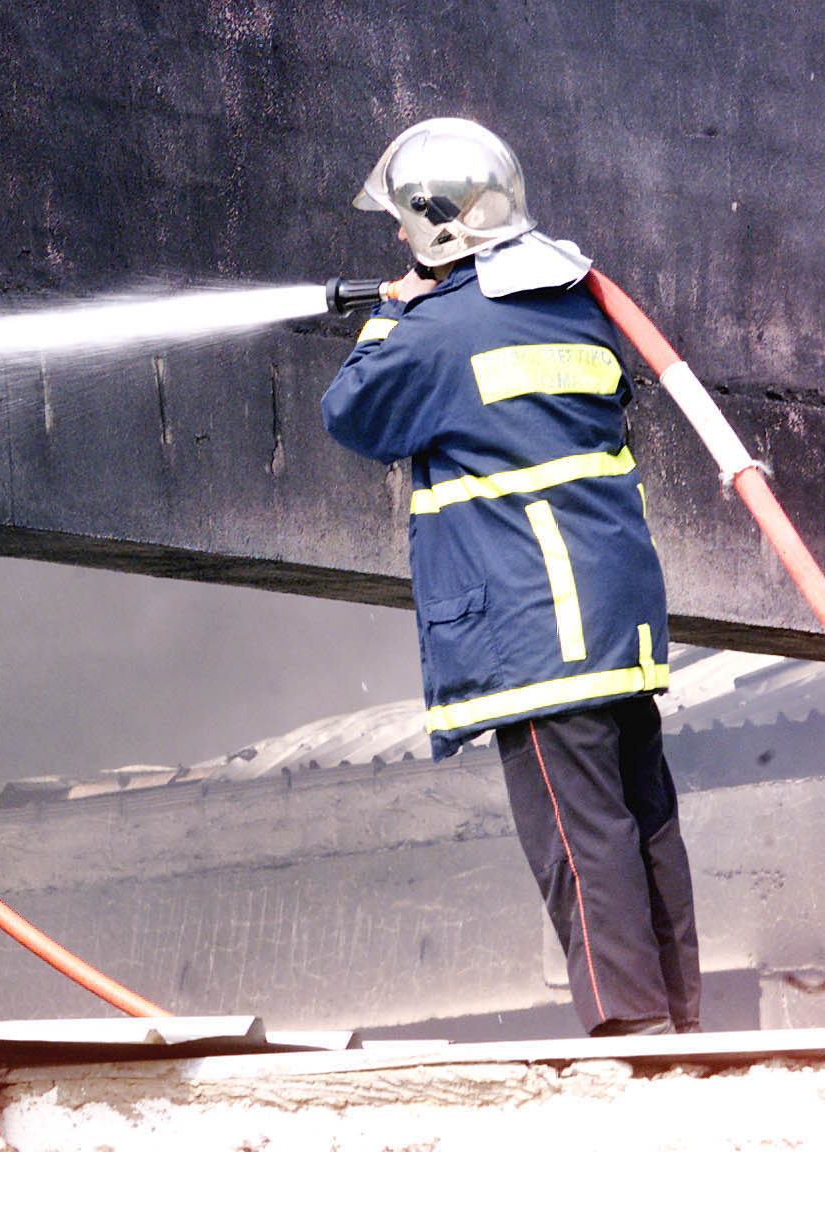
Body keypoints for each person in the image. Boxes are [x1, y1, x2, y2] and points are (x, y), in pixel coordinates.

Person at [320, 117, 701, 1037]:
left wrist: (395, 309)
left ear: (439, 226)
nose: (395, 236)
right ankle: (681, 1023)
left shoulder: (438, 333)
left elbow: (353, 412)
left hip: (536, 628)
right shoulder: (576, 305)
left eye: (403, 220)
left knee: (580, 839)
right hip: (612, 615)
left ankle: (631, 1032)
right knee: (643, 819)